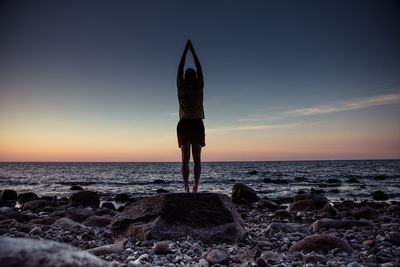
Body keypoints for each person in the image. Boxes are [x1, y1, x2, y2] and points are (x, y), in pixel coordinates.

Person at [176, 40, 205, 193]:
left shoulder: (181, 86)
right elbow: (199, 69)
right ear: (194, 76)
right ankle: (193, 186)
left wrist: (185, 51)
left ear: (186, 77)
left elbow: (179, 69)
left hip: (186, 123)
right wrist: (192, 51)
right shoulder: (199, 85)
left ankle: (188, 186)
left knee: (186, 158)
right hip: (195, 123)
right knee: (195, 158)